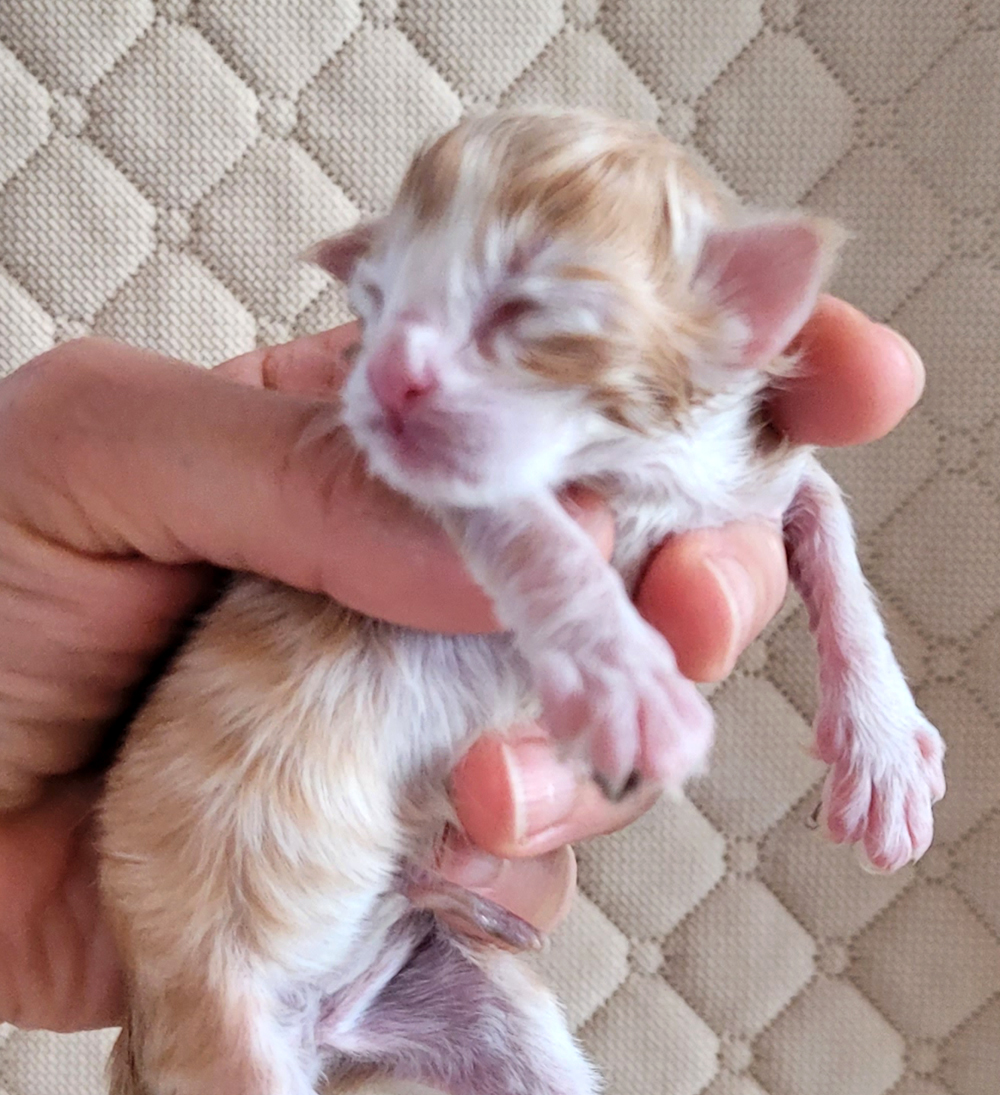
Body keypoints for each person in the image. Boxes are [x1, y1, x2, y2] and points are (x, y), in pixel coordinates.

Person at [0, 301, 924, 1031]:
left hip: (283, 836)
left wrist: (868, 695)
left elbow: (799, 488)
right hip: (273, 781)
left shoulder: (704, 403)